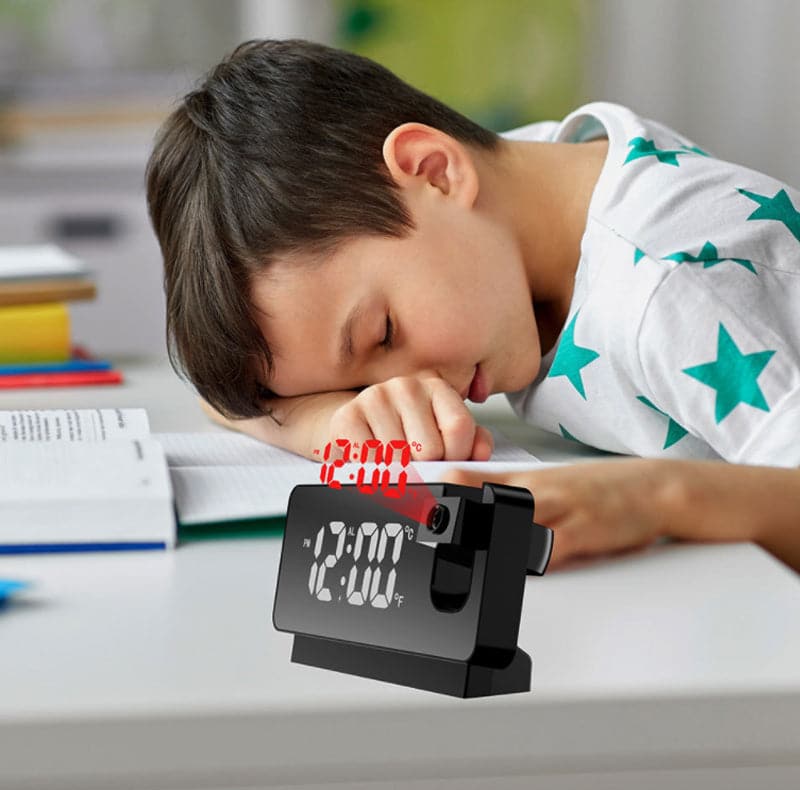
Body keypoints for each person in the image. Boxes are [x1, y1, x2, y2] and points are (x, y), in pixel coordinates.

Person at [145, 39, 800, 573]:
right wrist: (325, 421)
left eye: (382, 335)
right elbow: (228, 398)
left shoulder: (672, 284)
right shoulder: (503, 198)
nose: (412, 390)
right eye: (354, 382)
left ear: (434, 170)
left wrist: (658, 497)